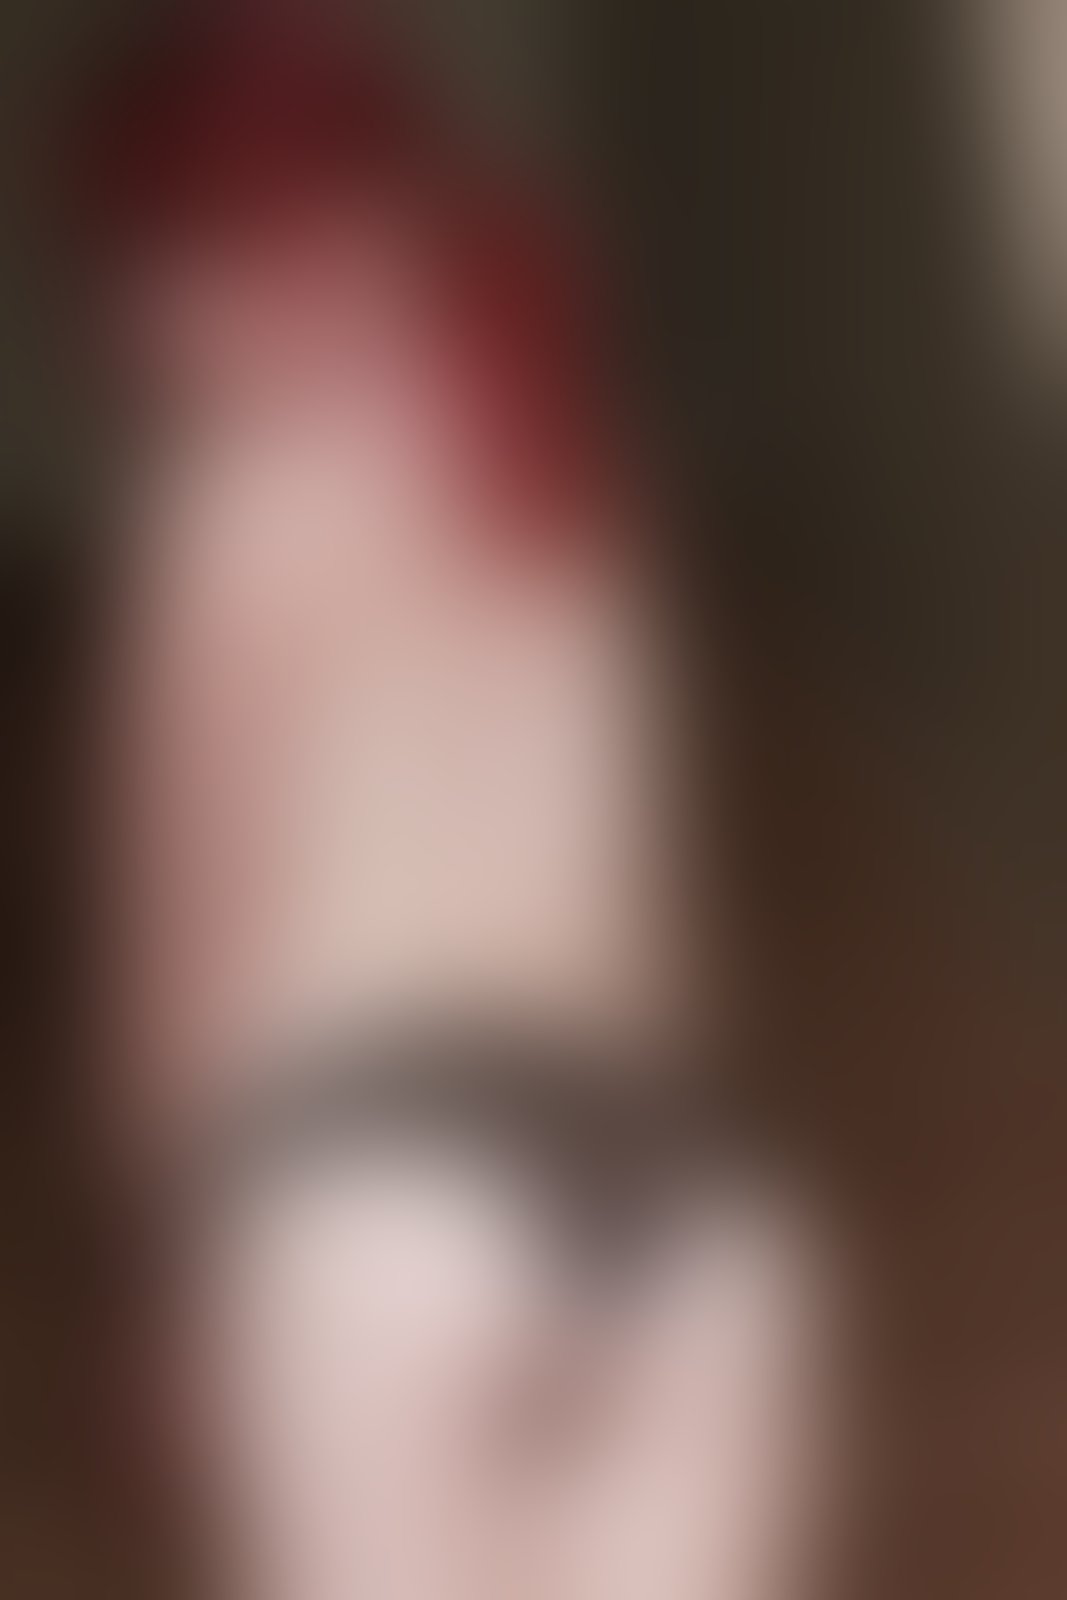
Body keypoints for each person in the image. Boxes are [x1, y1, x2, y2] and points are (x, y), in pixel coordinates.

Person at [78, 9, 844, 1598]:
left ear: (190, 259)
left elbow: (180, 958)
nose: (135, 334)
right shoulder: (557, 472)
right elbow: (651, 913)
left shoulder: (227, 512)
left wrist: (169, 1280)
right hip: (684, 1222)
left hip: (365, 1202)